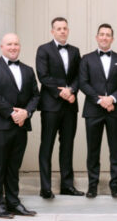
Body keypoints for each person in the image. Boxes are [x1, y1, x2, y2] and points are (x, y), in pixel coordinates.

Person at [0, 32, 41, 218]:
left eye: (16, 44)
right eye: (9, 44)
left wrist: (26, 112)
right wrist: (12, 113)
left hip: (21, 125)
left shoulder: (28, 70)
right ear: (2, 47)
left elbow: (36, 96)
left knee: (14, 166)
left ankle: (13, 202)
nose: (13, 47)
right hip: (0, 124)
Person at [78, 23, 117, 198]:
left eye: (108, 35)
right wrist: (100, 100)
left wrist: (112, 98)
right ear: (96, 37)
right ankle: (92, 186)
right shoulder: (86, 59)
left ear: (112, 39)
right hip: (93, 110)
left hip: (115, 110)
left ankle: (115, 186)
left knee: (115, 151)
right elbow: (83, 83)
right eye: (101, 34)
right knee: (93, 150)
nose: (104, 37)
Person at [35, 17, 83, 199]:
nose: (62, 31)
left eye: (64, 28)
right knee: (47, 146)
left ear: (68, 30)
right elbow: (43, 75)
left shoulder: (75, 51)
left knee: (67, 146)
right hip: (50, 106)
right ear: (52, 31)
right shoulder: (43, 49)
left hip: (70, 105)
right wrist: (60, 92)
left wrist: (72, 91)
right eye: (58, 28)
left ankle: (67, 186)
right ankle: (45, 187)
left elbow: (80, 75)